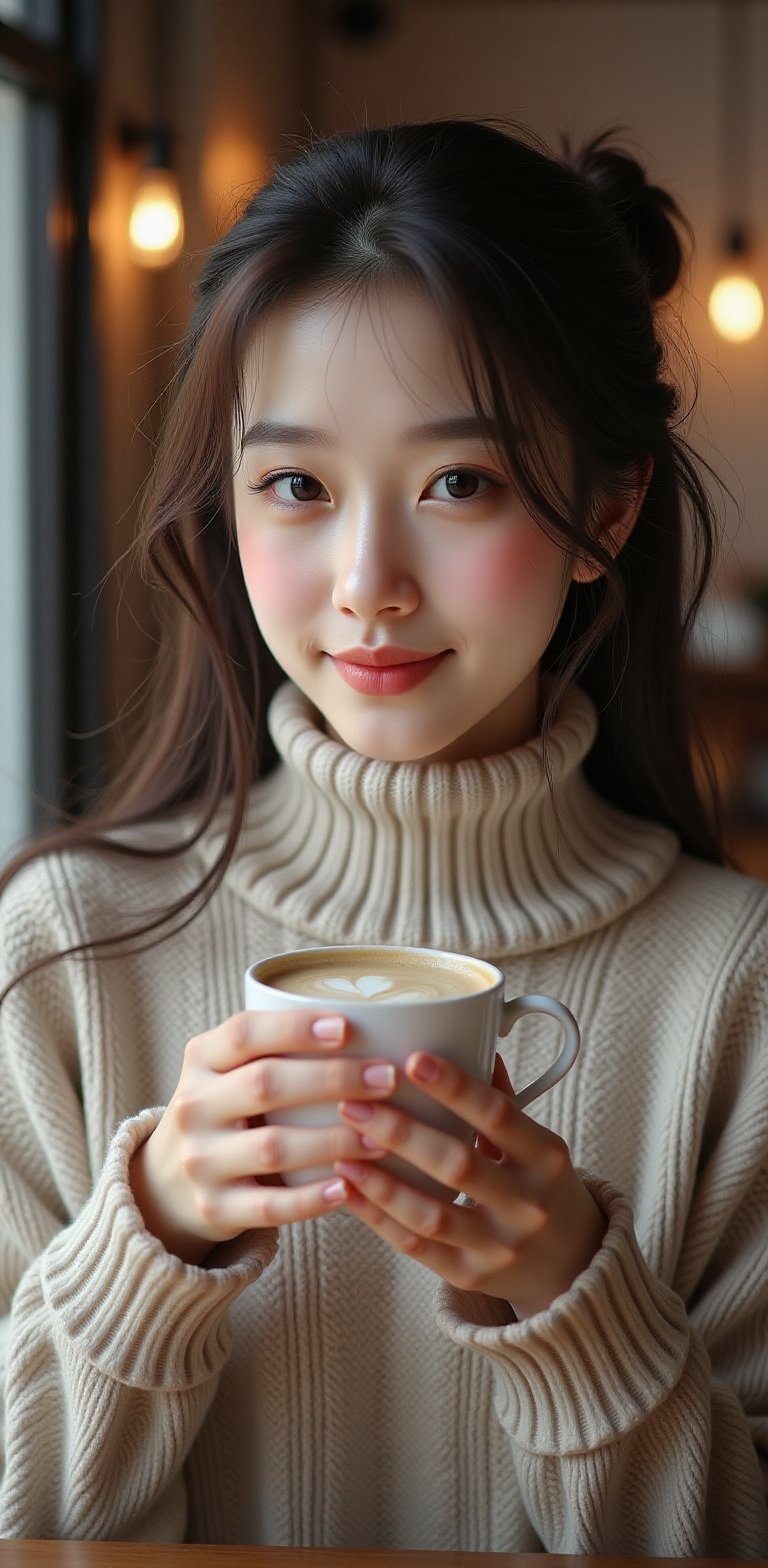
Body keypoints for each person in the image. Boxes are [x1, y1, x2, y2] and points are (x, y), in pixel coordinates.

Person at [0, 116, 766, 1555]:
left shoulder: (738, 990)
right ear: (225, 509)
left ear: (607, 509)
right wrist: (151, 1232)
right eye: (295, 485)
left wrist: (567, 1287)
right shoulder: (67, 952)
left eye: (458, 484)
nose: (367, 586)